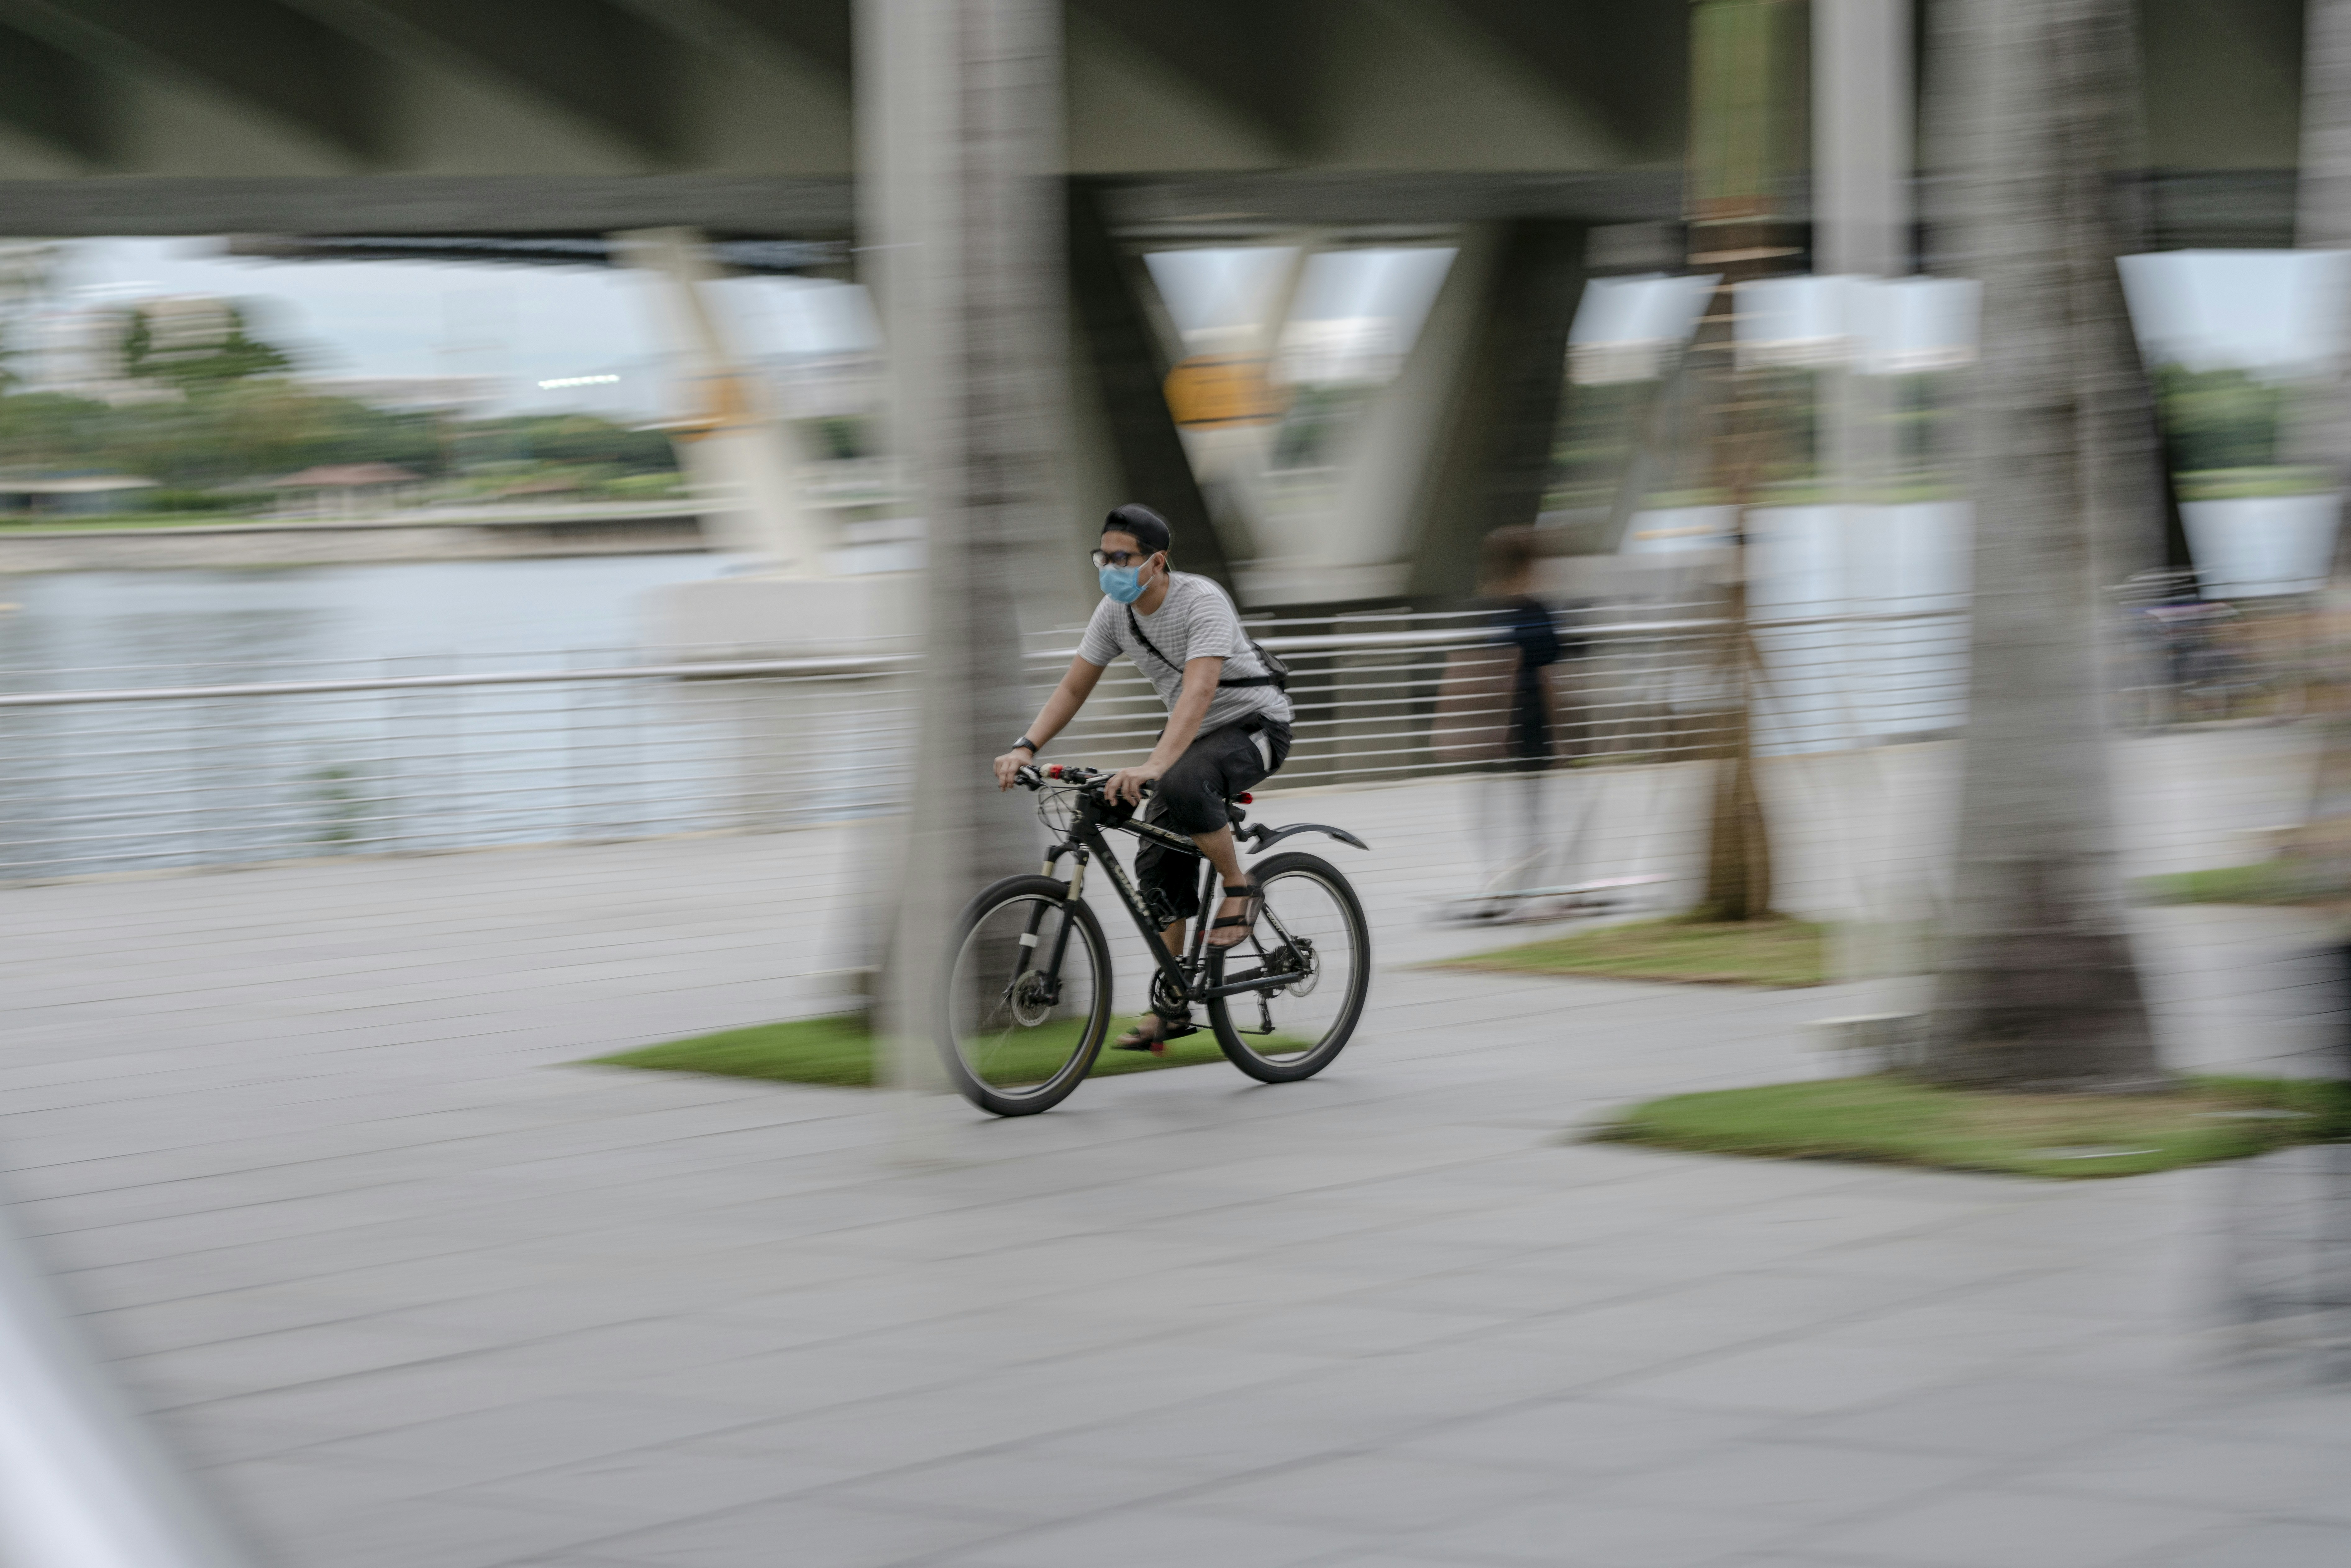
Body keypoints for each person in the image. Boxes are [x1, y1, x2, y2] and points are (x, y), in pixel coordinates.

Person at [993, 503, 1292, 1050]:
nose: (1108, 566)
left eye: (1120, 557)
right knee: (1152, 857)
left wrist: (1156, 765)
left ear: (1157, 562)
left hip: (1254, 726)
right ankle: (1172, 1008)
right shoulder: (1114, 612)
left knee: (1179, 783)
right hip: (1192, 737)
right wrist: (1026, 745)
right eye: (1101, 556)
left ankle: (1238, 885)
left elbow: (1201, 691)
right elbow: (1073, 688)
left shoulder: (1201, 601)